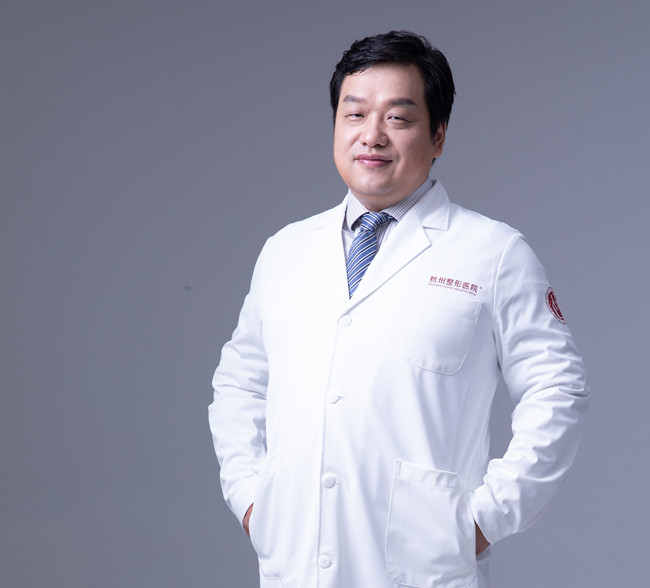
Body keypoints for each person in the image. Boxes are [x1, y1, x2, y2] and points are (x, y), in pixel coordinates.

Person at [209, 30, 589, 588]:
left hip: (421, 567)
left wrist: (485, 520)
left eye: (398, 118)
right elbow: (239, 383)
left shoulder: (493, 253)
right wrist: (250, 498)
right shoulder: (285, 251)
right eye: (354, 114)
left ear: (438, 135)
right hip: (295, 561)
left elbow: (558, 389)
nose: (372, 135)